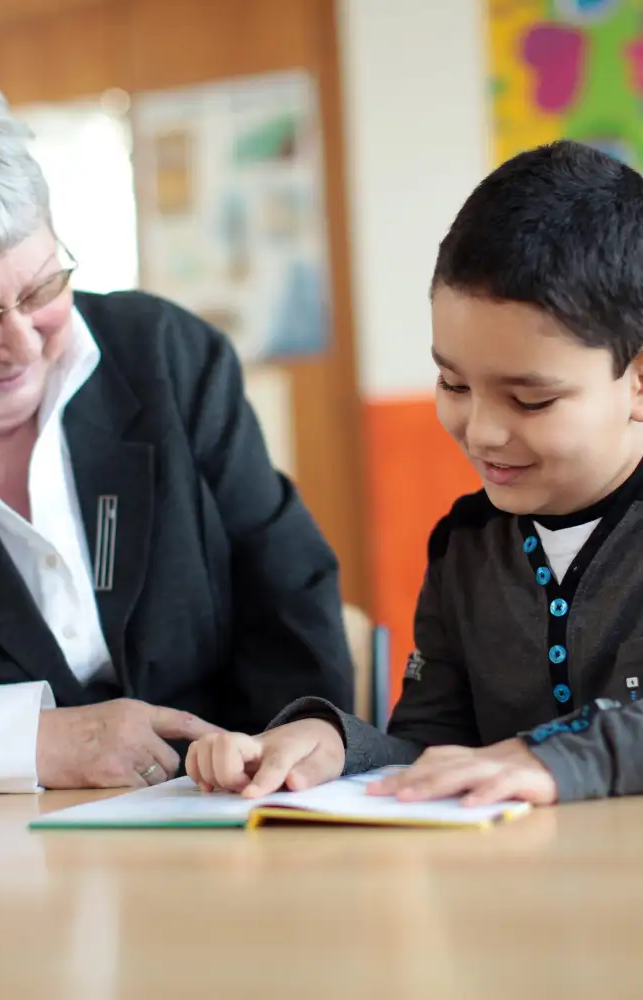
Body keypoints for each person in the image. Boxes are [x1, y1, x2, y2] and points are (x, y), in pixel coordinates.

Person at [0, 75, 354, 800]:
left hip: (218, 819)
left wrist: (299, 741)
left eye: (42, 290)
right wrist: (27, 741)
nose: (22, 344)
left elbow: (287, 588)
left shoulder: (167, 357)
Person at [187, 139, 643, 807]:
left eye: (531, 399)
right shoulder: (466, 547)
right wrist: (336, 742)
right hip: (508, 897)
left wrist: (544, 760)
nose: (483, 431)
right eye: (453, 383)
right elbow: (434, 743)